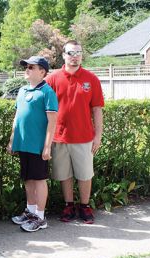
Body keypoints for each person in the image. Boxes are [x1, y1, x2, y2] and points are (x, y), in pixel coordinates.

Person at [46, 40, 104, 224]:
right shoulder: (53, 79)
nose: (75, 56)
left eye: (78, 52)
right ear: (63, 55)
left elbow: (97, 110)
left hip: (84, 137)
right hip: (60, 137)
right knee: (65, 174)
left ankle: (85, 206)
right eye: (71, 53)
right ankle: (68, 205)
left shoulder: (91, 79)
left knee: (85, 174)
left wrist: (98, 136)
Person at [7, 56, 58, 232]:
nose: (26, 69)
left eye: (31, 67)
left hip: (38, 146)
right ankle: (30, 211)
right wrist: (12, 139)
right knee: (28, 179)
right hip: (23, 144)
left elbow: (52, 122)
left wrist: (47, 146)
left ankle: (40, 217)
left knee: (39, 180)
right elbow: (17, 117)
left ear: (42, 72)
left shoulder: (47, 92)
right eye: (26, 67)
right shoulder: (22, 91)